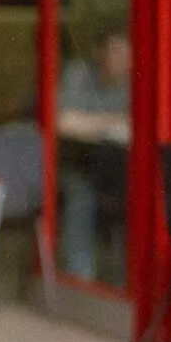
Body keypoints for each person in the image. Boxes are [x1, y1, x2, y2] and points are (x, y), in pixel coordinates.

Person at [55, 26, 131, 281]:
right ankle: (80, 279)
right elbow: (63, 122)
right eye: (116, 51)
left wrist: (91, 123)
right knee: (81, 198)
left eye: (127, 52)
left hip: (120, 165)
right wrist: (112, 121)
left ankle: (128, 280)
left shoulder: (135, 81)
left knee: (135, 203)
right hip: (79, 162)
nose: (123, 58)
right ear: (99, 52)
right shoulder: (78, 74)